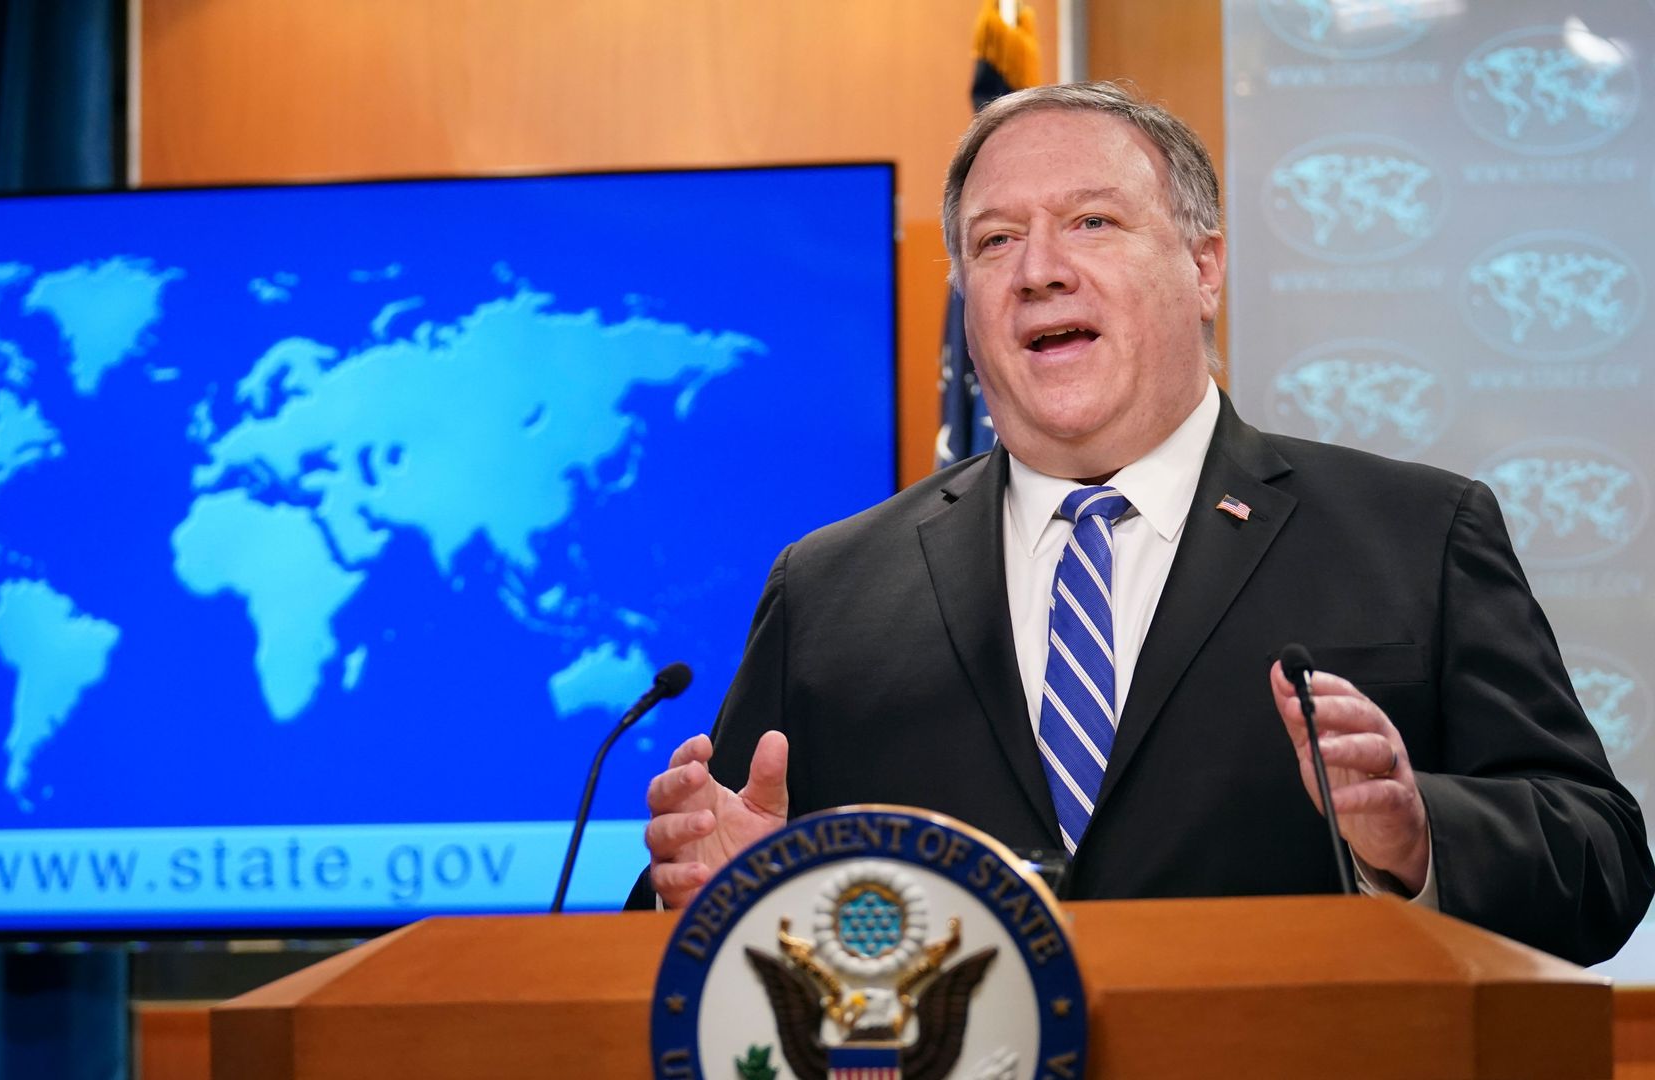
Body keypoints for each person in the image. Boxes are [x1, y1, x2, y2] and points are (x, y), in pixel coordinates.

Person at [632, 81, 1653, 966]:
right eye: (995, 241)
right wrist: (725, 895)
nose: (1038, 269)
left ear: (1204, 269)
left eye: (1092, 223)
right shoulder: (831, 588)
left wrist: (1421, 835)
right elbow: (686, 919)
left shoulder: (1418, 533)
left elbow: (1600, 861)